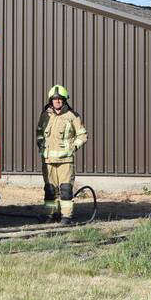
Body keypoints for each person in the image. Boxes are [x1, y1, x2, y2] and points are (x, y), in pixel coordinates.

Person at [36, 84, 87, 225]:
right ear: (50, 100)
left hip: (65, 161)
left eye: (60, 99)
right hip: (48, 160)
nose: (57, 101)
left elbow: (82, 136)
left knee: (65, 189)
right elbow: (39, 132)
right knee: (50, 190)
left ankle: (66, 217)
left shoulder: (72, 116)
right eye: (54, 99)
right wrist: (41, 144)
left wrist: (73, 147)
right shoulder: (45, 115)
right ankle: (51, 215)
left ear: (65, 100)